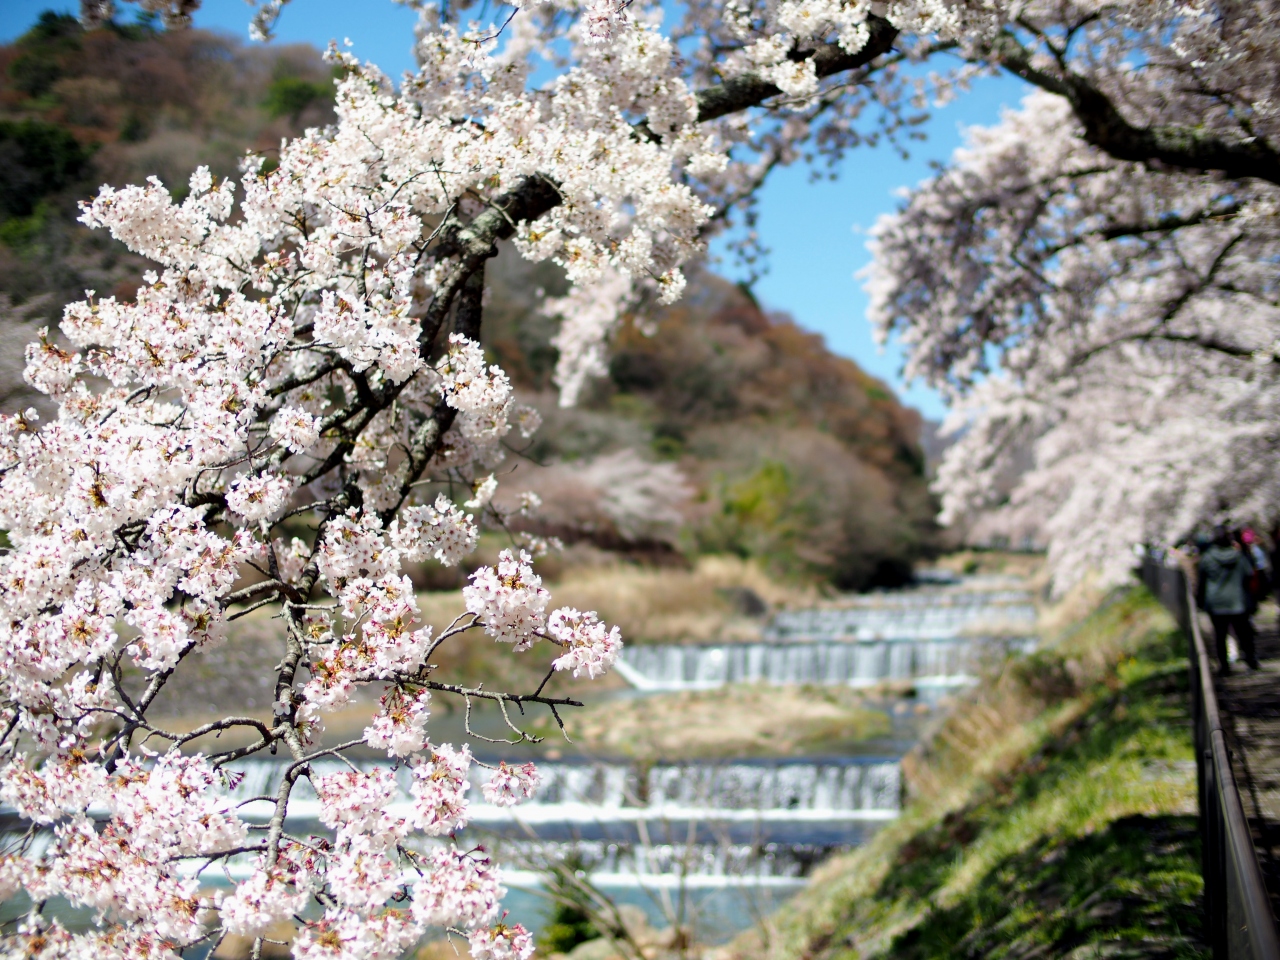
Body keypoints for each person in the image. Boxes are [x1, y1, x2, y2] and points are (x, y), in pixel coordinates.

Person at [1199, 526, 1259, 673]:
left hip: (1216, 602)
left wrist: (1200, 599)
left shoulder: (1207, 557)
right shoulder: (1238, 556)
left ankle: (1224, 665)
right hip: (1237, 600)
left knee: (1220, 635)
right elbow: (1249, 574)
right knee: (1243, 632)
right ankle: (1251, 660)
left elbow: (1202, 580)